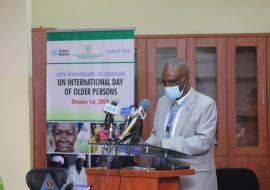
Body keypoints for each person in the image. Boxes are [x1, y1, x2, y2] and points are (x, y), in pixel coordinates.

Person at [146, 58, 218, 190]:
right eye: (164, 82)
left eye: (172, 81)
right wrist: (144, 147)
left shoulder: (205, 104)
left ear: (186, 78)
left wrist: (165, 144)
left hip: (194, 179)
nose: (167, 86)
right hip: (164, 177)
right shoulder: (162, 102)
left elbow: (204, 141)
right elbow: (156, 134)